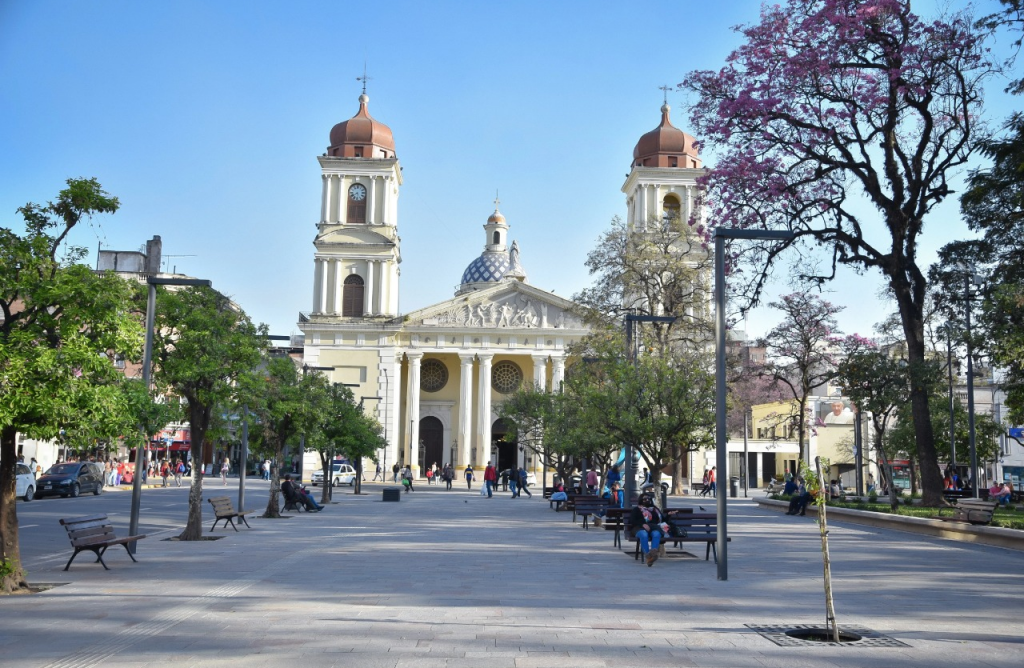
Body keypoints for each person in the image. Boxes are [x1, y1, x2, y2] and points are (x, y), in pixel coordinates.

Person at [630, 492, 666, 566]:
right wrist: (642, 524)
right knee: (644, 534)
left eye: (649, 499)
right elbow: (632, 520)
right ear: (641, 500)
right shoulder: (637, 509)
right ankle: (648, 556)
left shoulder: (655, 509)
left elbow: (662, 519)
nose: (647, 500)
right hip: (639, 528)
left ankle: (653, 553)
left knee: (657, 534)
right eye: (645, 499)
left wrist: (669, 515)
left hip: (653, 528)